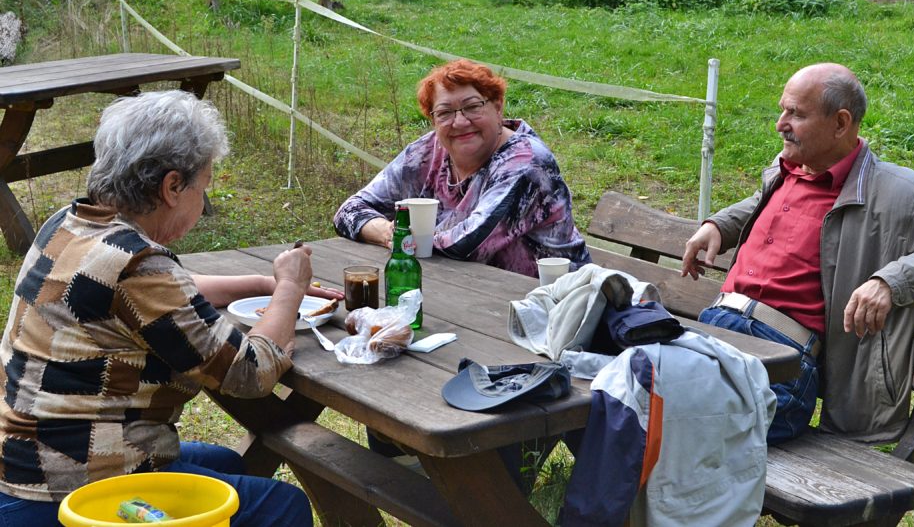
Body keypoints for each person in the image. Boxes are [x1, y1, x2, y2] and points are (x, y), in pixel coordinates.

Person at [0, 90, 342, 527]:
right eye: (204, 185)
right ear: (173, 186)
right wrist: (290, 288)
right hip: (75, 486)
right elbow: (250, 373)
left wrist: (263, 284)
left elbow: (155, 293)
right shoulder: (140, 264)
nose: (203, 197)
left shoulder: (69, 224)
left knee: (225, 461)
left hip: (20, 460)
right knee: (282, 506)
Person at [681, 63, 914, 444]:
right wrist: (719, 225)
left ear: (840, 123)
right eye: (783, 109)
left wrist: (890, 282)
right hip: (715, 332)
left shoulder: (899, 194)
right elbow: (762, 203)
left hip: (780, 362)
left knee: (674, 423)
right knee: (632, 390)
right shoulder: (789, 169)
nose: (780, 124)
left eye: (796, 114)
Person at [334, 58, 590, 276]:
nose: (460, 122)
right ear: (433, 119)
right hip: (463, 289)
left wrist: (402, 237)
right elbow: (348, 212)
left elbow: (466, 245)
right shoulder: (426, 153)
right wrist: (386, 232)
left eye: (472, 107)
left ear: (498, 107)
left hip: (551, 302)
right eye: (445, 112)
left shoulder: (526, 163)